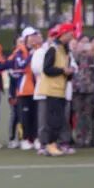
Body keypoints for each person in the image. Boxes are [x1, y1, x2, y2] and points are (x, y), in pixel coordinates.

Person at [37, 23, 75, 157]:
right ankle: (50, 144)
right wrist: (63, 70)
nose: (71, 36)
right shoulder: (53, 49)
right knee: (53, 119)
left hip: (60, 89)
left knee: (58, 119)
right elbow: (47, 69)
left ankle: (52, 144)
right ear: (62, 34)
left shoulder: (65, 50)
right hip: (52, 90)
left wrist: (69, 73)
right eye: (69, 33)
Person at [10, 27, 40, 150]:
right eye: (31, 36)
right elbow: (20, 65)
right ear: (26, 38)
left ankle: (36, 138)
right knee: (24, 117)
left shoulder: (40, 49)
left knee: (36, 115)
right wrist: (30, 56)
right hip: (24, 89)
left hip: (37, 88)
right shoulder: (19, 52)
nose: (34, 39)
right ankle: (25, 139)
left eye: (35, 36)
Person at [71, 35, 94, 147]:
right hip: (77, 89)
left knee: (88, 115)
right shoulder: (74, 55)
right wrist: (78, 51)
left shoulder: (93, 55)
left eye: (87, 42)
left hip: (89, 89)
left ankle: (89, 139)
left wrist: (91, 53)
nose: (85, 44)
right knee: (78, 115)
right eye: (82, 42)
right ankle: (79, 139)